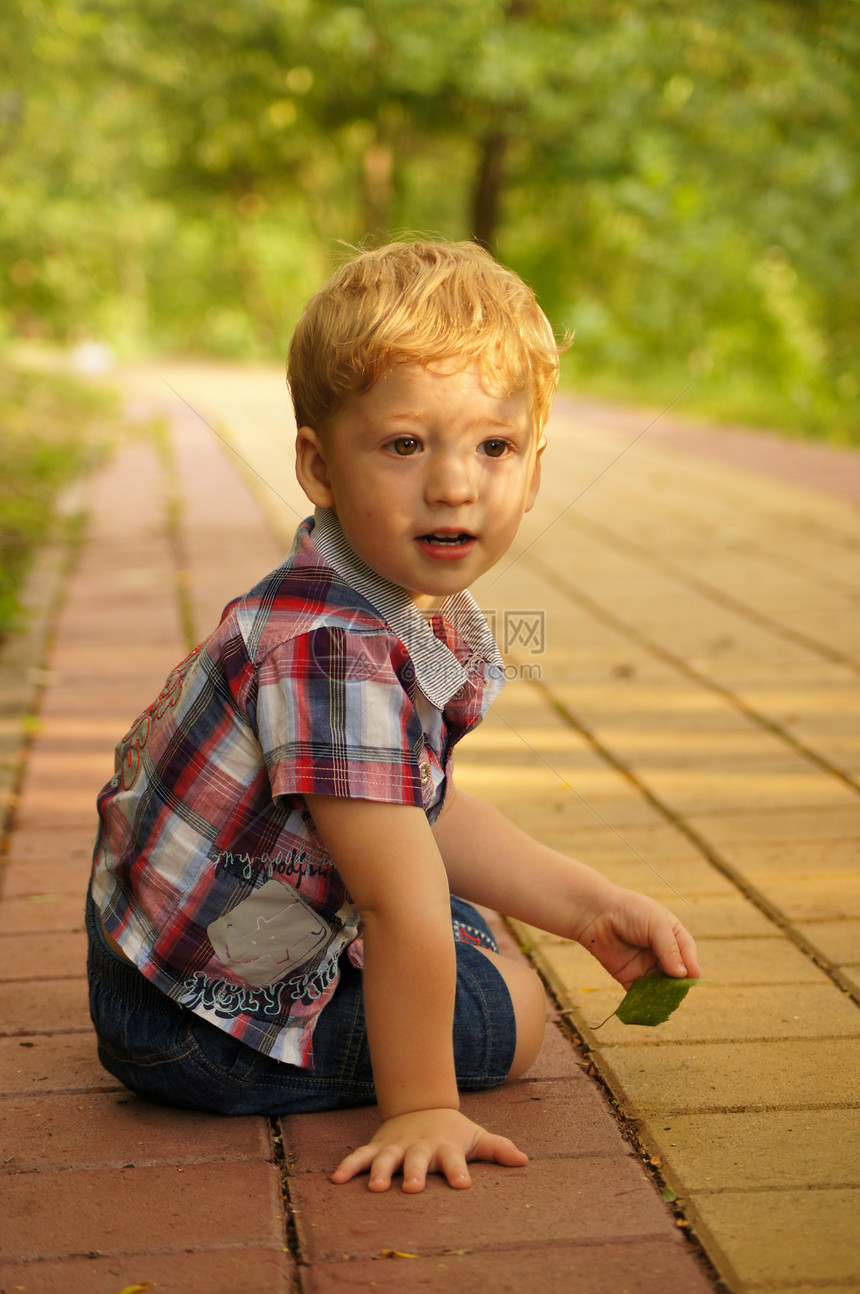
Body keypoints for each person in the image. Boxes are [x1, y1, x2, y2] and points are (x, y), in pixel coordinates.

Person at [87, 240, 699, 1194]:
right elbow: (398, 898)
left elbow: (421, 805)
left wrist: (587, 908)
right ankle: (411, 1059)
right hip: (192, 1027)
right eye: (406, 445)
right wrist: (424, 1106)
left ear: (534, 473)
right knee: (512, 1010)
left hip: (161, 956)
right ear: (319, 465)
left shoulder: (376, 595)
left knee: (453, 913)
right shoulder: (333, 651)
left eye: (493, 447)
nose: (454, 485)